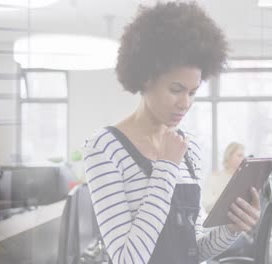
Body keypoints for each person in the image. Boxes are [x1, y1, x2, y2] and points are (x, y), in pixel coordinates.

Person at [83, 3, 261, 264]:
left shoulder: (188, 149)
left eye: (192, 92)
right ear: (146, 78)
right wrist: (165, 168)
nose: (185, 103)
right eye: (176, 89)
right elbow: (128, 259)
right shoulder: (105, 148)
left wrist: (232, 229)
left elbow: (195, 250)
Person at [203, 142, 245, 214]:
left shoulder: (244, 180)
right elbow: (207, 205)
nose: (243, 159)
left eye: (243, 156)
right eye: (239, 155)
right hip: (219, 221)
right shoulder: (214, 177)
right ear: (229, 156)